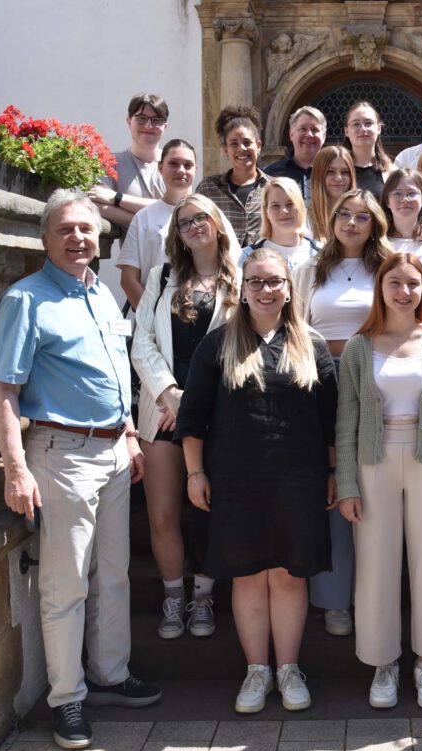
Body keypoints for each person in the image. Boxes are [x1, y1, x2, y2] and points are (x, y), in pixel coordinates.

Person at [0, 190, 161, 751]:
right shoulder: (26, 300)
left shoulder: (103, 295)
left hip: (114, 453)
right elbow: (6, 390)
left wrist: (131, 436)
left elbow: (114, 377)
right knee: (66, 585)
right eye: (65, 229)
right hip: (60, 455)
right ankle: (67, 698)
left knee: (113, 575)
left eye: (86, 230)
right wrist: (16, 467)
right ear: (45, 238)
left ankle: (110, 674)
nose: (78, 239)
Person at [177, 248, 337, 713]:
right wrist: (194, 473)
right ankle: (257, 671)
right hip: (236, 479)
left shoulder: (312, 345)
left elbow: (329, 421)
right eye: (256, 282)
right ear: (241, 289)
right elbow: (193, 416)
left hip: (298, 479)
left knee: (288, 575)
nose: (266, 290)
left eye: (274, 281)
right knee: (247, 576)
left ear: (289, 288)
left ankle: (288, 669)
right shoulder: (219, 344)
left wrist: (331, 473)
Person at [336, 253, 422, 710]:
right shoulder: (359, 346)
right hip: (374, 461)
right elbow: (346, 421)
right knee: (375, 565)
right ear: (381, 287)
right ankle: (383, 663)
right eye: (395, 282)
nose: (404, 291)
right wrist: (347, 483)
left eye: (413, 283)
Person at [131, 193, 242, 643]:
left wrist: (196, 399)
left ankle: (204, 596)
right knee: (162, 516)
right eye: (184, 222)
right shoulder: (161, 278)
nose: (193, 226)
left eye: (201, 218)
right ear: (176, 234)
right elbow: (141, 342)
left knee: (210, 512)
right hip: (162, 412)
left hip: (217, 413)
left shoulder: (239, 280)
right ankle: (174, 597)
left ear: (217, 224)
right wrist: (170, 393)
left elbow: (246, 348)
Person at [292, 189, 394, 637]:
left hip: (375, 376)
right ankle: (333, 600)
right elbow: (293, 326)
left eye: (362, 216)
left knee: (371, 487)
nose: (352, 223)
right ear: (332, 220)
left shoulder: (387, 267)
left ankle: (377, 597)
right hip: (321, 378)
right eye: (344, 215)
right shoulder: (310, 269)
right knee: (330, 486)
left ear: (376, 223)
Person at [117, 139, 197, 311]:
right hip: (155, 318)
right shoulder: (143, 218)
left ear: (196, 169)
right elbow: (129, 280)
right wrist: (151, 319)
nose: (181, 170)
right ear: (160, 167)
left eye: (188, 165)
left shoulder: (212, 215)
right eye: (173, 164)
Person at [88, 94, 169, 236]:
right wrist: (149, 222)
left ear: (165, 126)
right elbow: (96, 204)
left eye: (157, 120)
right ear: (129, 121)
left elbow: (176, 209)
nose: (149, 125)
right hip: (133, 256)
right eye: (141, 118)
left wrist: (116, 198)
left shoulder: (177, 163)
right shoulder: (110, 163)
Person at [196, 105, 269, 247]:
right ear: (225, 149)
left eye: (247, 142)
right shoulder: (208, 189)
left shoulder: (273, 187)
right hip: (220, 267)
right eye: (234, 144)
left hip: (263, 266)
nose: (241, 149)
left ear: (258, 146)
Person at [242, 177, 319, 273]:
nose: (283, 211)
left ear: (301, 207)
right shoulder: (246, 257)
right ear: (266, 212)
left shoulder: (323, 253)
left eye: (290, 204)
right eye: (275, 206)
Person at [381, 168, 422, 281]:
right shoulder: (376, 245)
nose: (404, 199)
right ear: (387, 201)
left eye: (412, 193)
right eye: (397, 194)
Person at [264, 105, 327, 203]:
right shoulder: (270, 174)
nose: (309, 134)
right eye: (303, 129)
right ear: (291, 134)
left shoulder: (333, 173)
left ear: (324, 136)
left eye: (315, 130)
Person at [343, 101, 393, 201]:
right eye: (356, 124)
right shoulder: (336, 170)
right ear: (346, 131)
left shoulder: (392, 172)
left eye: (368, 123)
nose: (362, 129)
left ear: (379, 128)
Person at [307, 145, 356, 242]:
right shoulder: (304, 220)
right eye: (330, 172)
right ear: (319, 175)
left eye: (345, 172)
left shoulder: (362, 216)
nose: (338, 178)